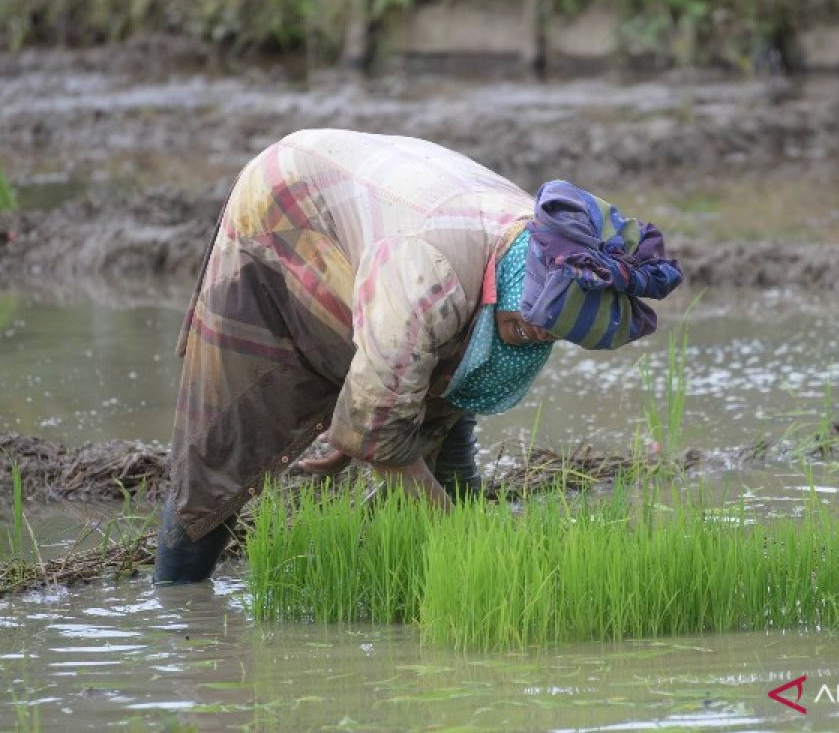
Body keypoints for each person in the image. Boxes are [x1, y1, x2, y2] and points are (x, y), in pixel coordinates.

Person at [153, 129, 682, 584]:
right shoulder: (431, 273)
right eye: (523, 327)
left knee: (422, 400)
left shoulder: (547, 250)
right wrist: (455, 533)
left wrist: (364, 425)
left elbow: (444, 377)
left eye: (546, 335)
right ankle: (179, 598)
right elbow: (382, 425)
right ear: (508, 289)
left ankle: (431, 538)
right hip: (285, 204)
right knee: (228, 437)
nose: (530, 340)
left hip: (384, 222)